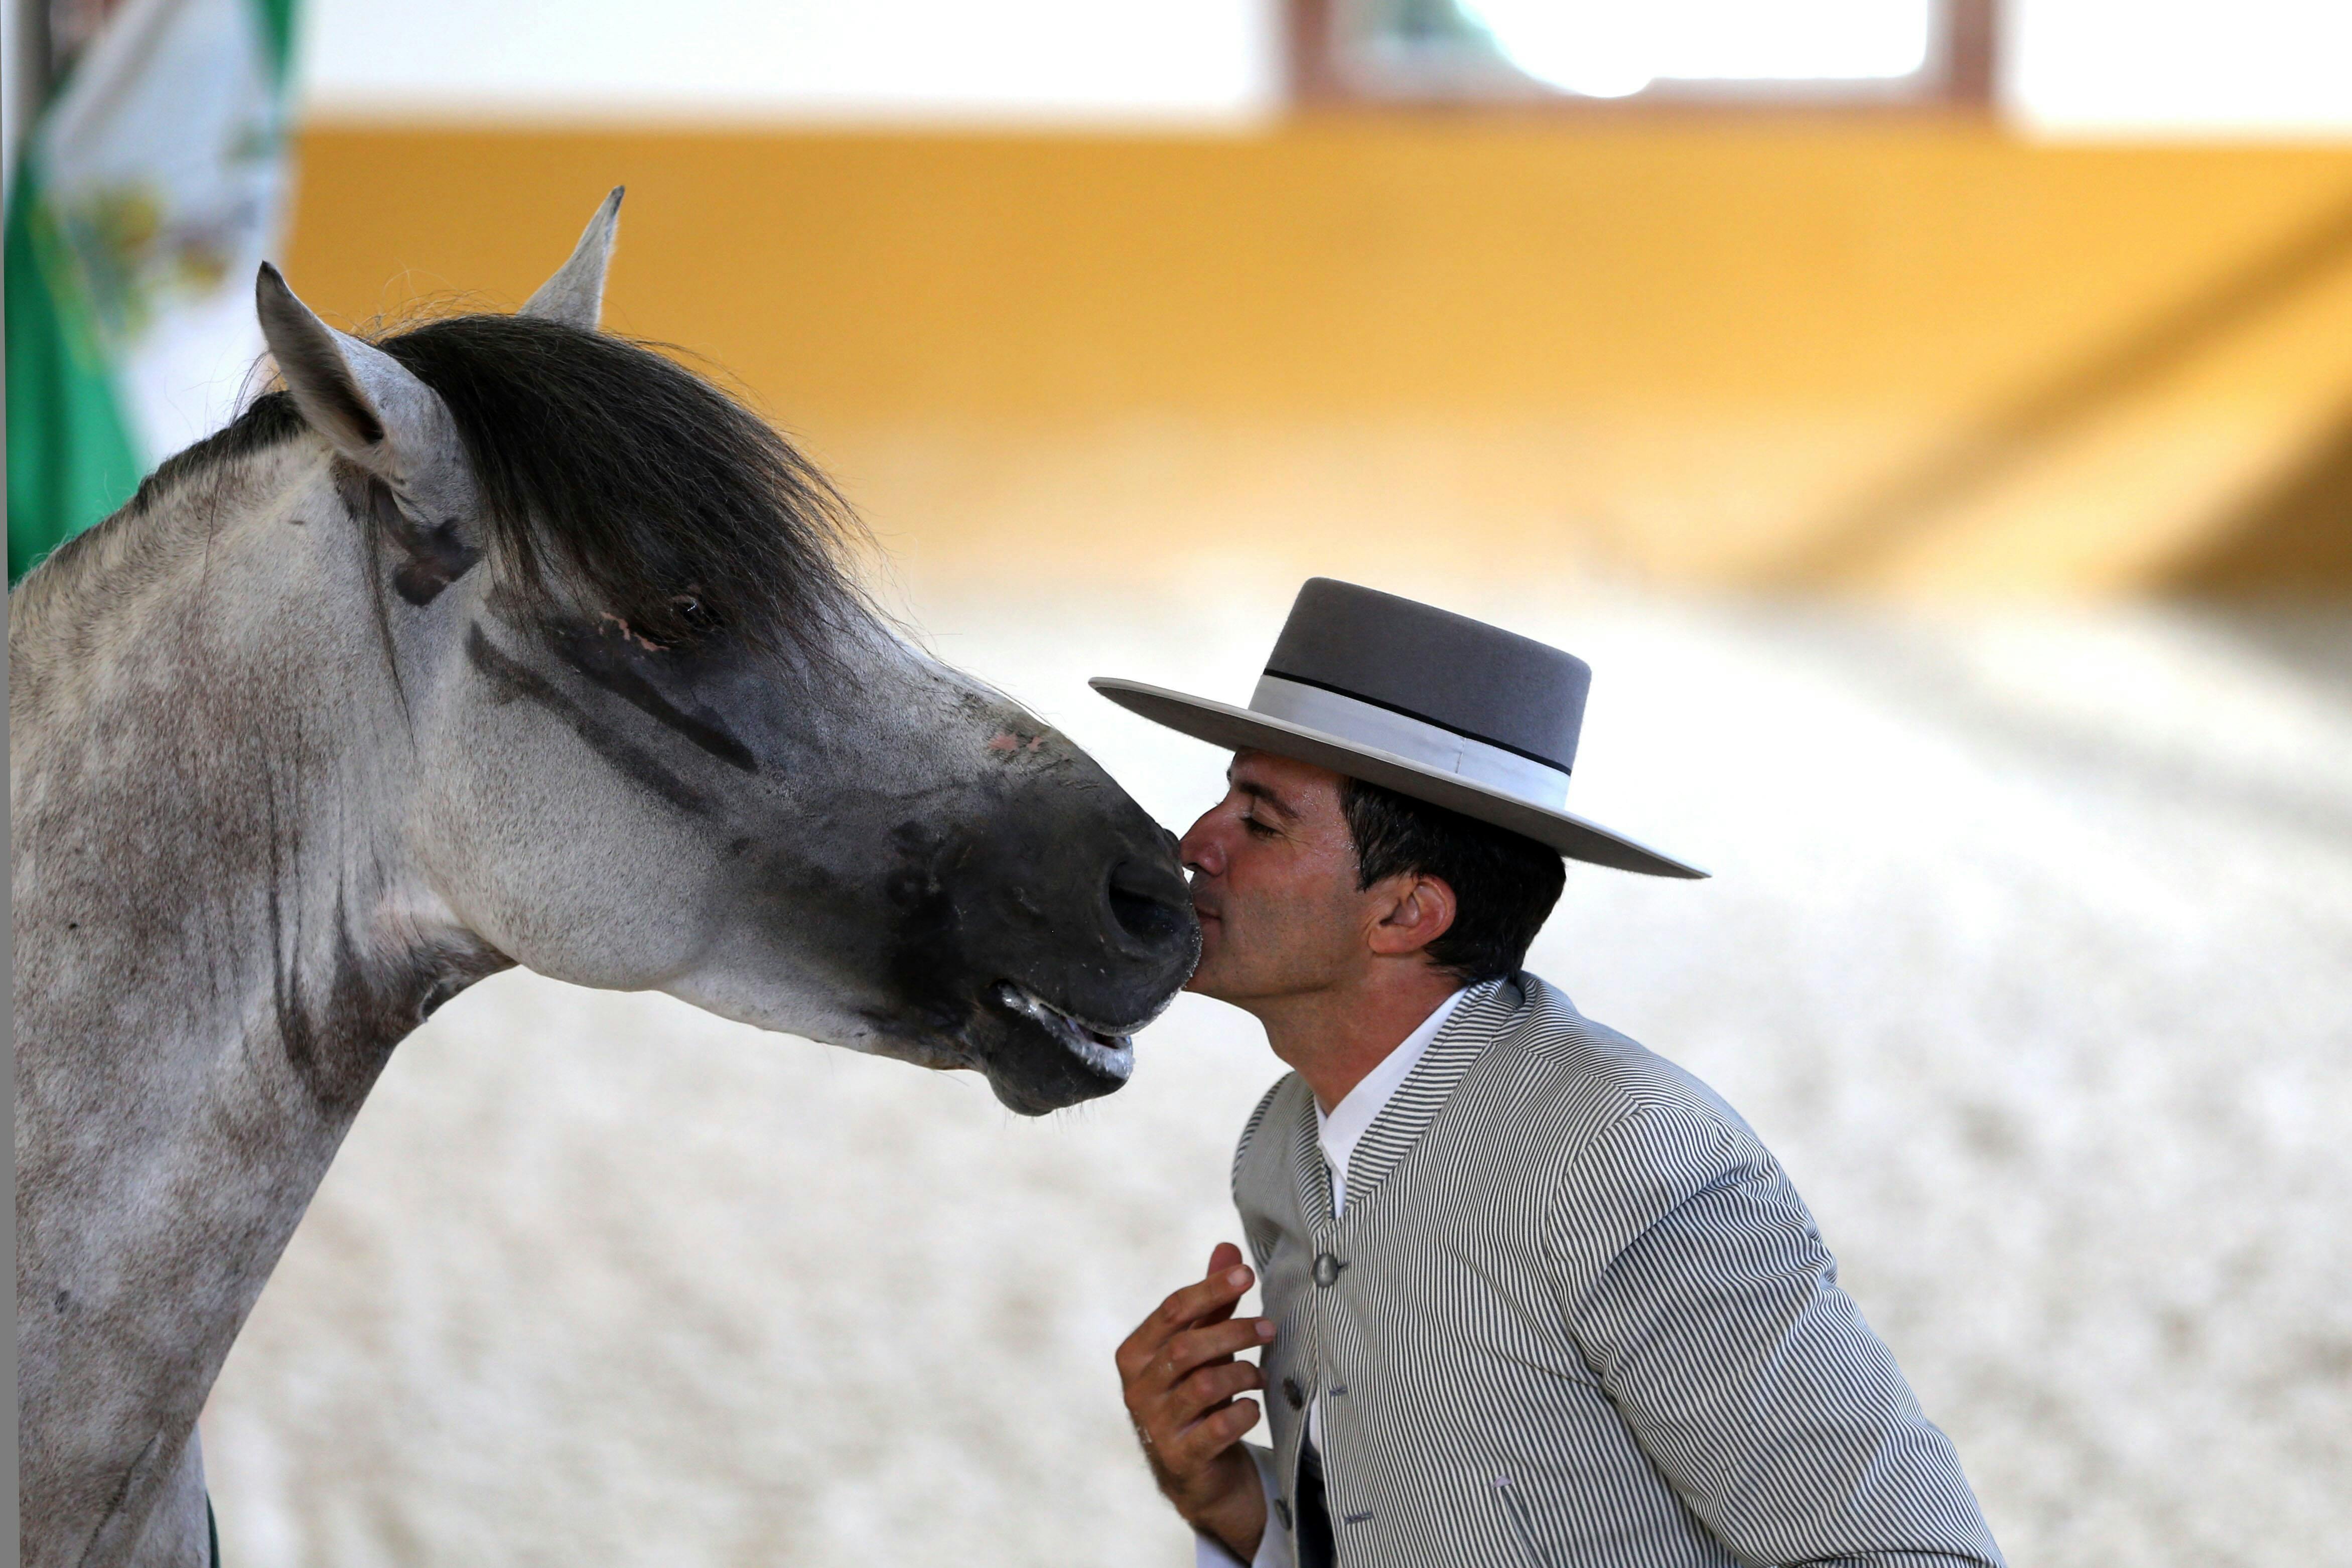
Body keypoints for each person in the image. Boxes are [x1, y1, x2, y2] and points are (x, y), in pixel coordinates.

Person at [1096, 579, 2004, 1568]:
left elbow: (1912, 1553)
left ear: (1406, 913)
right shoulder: (1281, 1145)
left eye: (1260, 822)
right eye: (1227, 796)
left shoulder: (1622, 1155)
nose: (1195, 842)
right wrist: (1227, 1500)